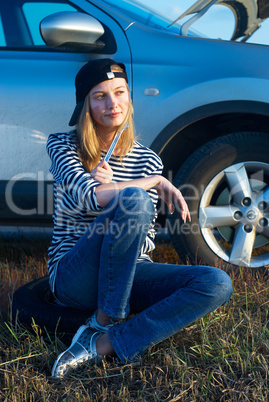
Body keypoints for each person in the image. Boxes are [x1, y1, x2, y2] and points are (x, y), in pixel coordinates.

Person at [47, 58, 233, 378]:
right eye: (100, 96)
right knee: (132, 198)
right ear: (86, 106)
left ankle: (103, 342)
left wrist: (119, 187)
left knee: (216, 283)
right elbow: (87, 197)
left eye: (120, 92)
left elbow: (143, 235)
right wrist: (153, 182)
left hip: (128, 273)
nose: (113, 103)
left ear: (130, 98)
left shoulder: (147, 159)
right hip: (74, 274)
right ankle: (107, 318)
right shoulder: (63, 145)